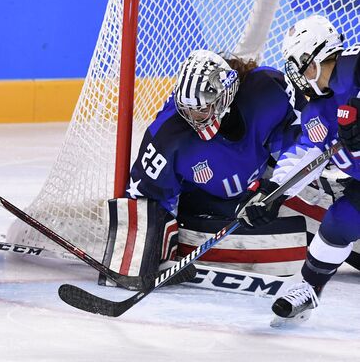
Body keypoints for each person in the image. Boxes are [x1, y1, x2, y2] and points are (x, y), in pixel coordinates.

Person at [126, 49, 306, 275]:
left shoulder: (268, 88)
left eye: (201, 110)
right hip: (205, 208)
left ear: (225, 97)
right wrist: (150, 255)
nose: (193, 118)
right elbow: (145, 199)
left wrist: (274, 191)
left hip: (261, 184)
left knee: (328, 212)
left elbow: (306, 141)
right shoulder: (168, 136)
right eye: (187, 109)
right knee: (285, 248)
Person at [237, 14, 360, 326]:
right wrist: (272, 195)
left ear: (314, 59)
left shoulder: (356, 66)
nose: (299, 76)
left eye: (299, 65)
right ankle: (308, 288)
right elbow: (304, 154)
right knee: (340, 221)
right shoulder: (317, 111)